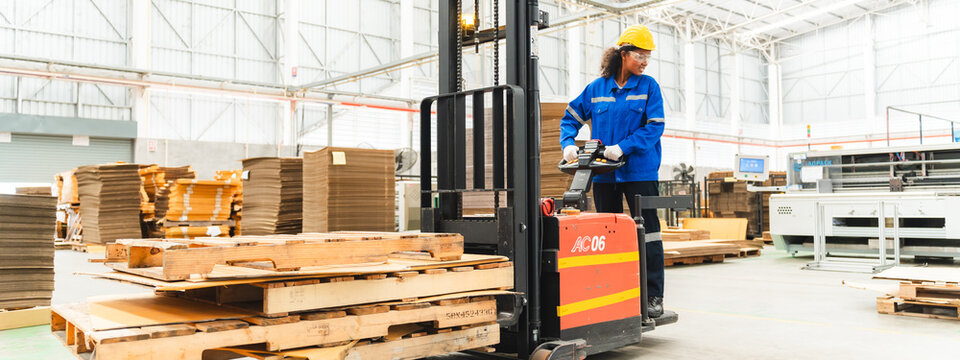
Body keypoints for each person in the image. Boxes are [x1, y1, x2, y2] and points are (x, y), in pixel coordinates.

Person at [558, 25, 666, 318]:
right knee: (607, 234)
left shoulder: (649, 87)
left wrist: (624, 147)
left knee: (649, 234)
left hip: (640, 171)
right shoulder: (596, 88)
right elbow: (570, 118)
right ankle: (611, 293)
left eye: (648, 57)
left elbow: (655, 127)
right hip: (604, 173)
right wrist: (568, 145)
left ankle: (653, 295)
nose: (645, 61)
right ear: (623, 54)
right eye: (640, 55)